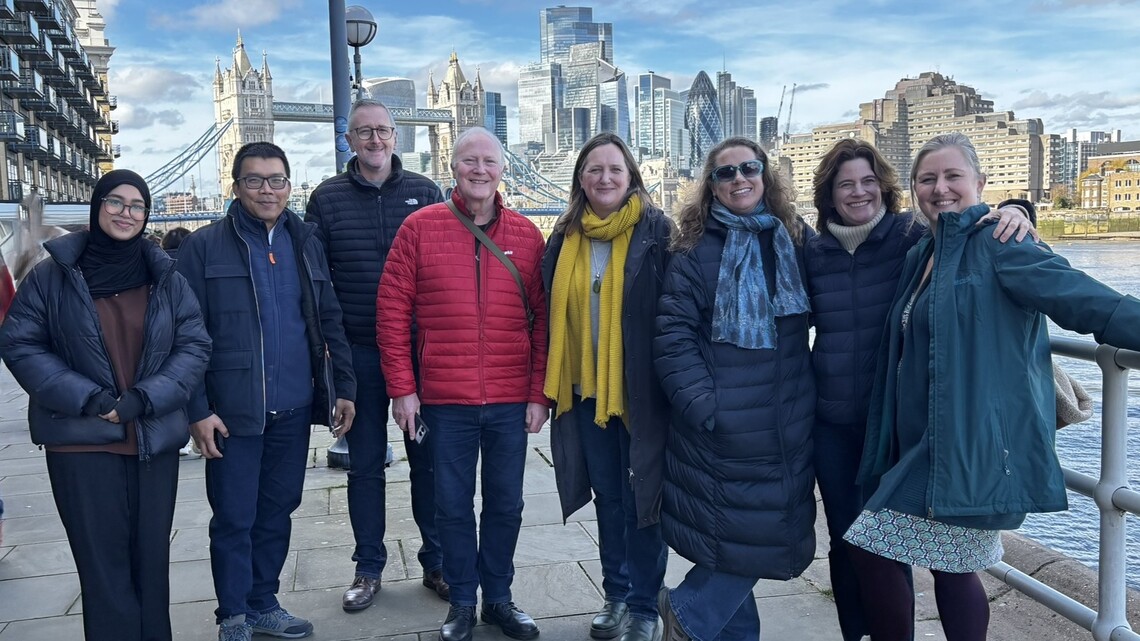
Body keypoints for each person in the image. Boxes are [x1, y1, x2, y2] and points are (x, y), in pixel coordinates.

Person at [843, 132, 1140, 641]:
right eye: (927, 179)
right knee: (945, 567)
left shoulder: (998, 243)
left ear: (980, 182)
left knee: (884, 548)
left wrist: (1018, 213)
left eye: (952, 176)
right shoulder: (924, 253)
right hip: (920, 443)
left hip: (970, 442)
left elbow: (1083, 299)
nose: (940, 188)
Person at [803, 138, 1034, 641]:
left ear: (886, 188)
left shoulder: (912, 237)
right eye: (846, 184)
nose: (859, 192)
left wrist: (1018, 208)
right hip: (834, 423)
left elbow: (964, 221)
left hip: (899, 423)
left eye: (868, 181)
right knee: (850, 543)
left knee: (912, 547)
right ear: (829, 194)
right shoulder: (812, 251)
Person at [0, 170, 211, 641]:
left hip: (152, 439)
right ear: (97, 207)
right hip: (82, 444)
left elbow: (194, 346)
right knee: (102, 569)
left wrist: (144, 398)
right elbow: (19, 344)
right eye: (115, 202)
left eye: (137, 205)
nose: (126, 213)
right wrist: (88, 398)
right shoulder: (52, 276)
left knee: (151, 564)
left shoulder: (166, 278)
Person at [177, 142, 357, 641]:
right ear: (235, 186)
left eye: (277, 180)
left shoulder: (306, 241)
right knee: (234, 516)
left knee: (278, 509)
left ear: (289, 185)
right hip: (233, 412)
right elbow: (182, 336)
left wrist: (342, 387)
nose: (267, 189)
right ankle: (233, 614)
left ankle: (263, 602)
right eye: (254, 180)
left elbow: (329, 319)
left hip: (295, 407)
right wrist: (197, 410)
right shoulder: (204, 246)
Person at [377, 127, 548, 641]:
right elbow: (391, 310)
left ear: (503, 169)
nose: (480, 170)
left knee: (507, 504)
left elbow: (543, 320)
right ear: (453, 167)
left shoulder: (527, 235)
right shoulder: (420, 227)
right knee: (449, 505)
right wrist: (402, 389)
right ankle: (461, 602)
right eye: (469, 161)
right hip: (442, 401)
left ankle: (498, 599)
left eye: (489, 162)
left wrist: (540, 394)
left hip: (510, 397)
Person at [653, 137, 815, 641]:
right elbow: (672, 337)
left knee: (749, 537)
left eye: (749, 168)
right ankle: (689, 610)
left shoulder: (795, 239)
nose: (739, 179)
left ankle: (702, 619)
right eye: (726, 173)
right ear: (712, 187)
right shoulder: (692, 251)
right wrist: (706, 406)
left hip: (786, 420)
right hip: (724, 425)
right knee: (746, 538)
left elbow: (872, 247)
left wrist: (1012, 211)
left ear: (766, 176)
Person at [305, 98, 448, 610]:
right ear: (349, 139)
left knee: (428, 464)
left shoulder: (426, 192)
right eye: (363, 132)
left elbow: (445, 268)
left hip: (420, 353)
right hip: (360, 353)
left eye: (383, 131)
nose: (374, 140)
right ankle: (368, 569)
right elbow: (317, 284)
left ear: (395, 136)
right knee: (364, 466)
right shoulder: (325, 198)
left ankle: (437, 563)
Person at [542, 132, 671, 641]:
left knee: (644, 501)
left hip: (639, 395)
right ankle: (615, 595)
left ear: (631, 175)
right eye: (594, 170)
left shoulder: (657, 232)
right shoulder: (564, 236)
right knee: (607, 498)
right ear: (580, 178)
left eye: (615, 169)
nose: (605, 178)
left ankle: (644, 606)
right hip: (584, 391)